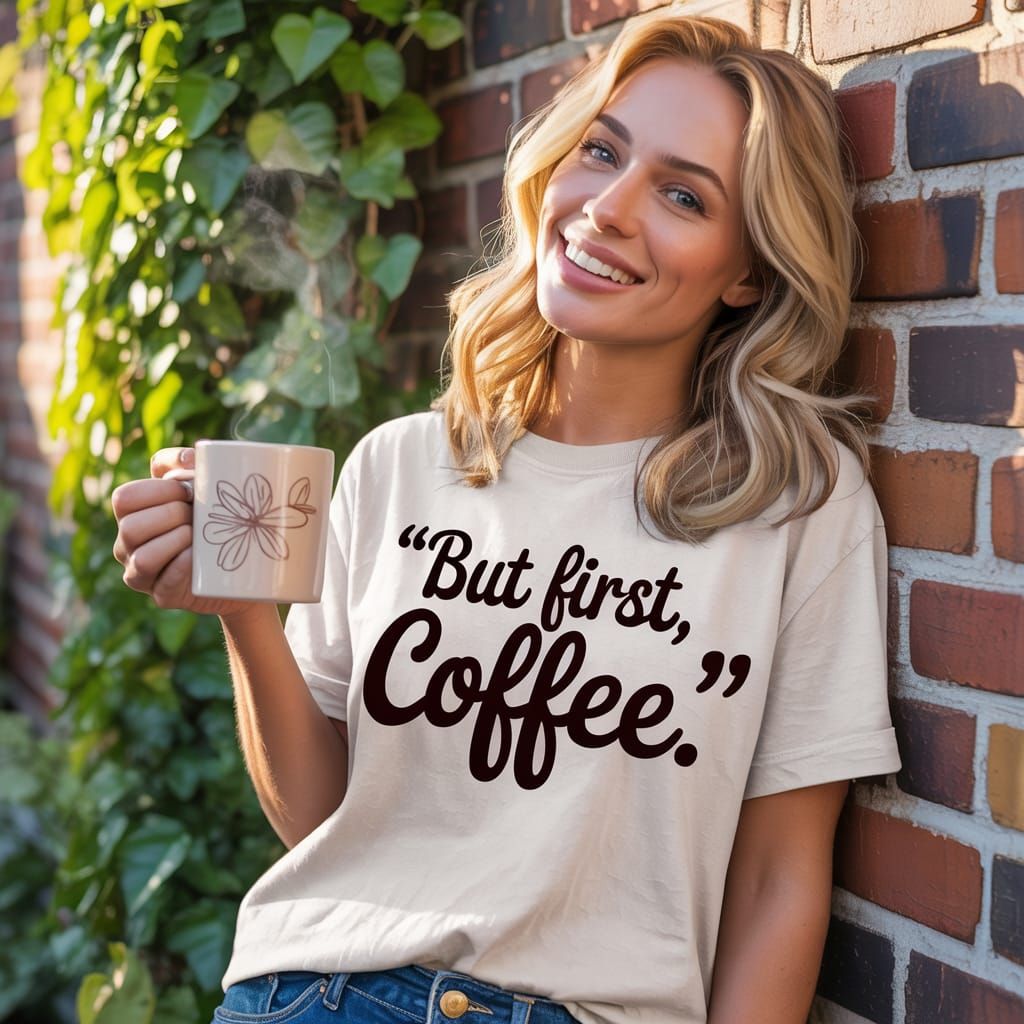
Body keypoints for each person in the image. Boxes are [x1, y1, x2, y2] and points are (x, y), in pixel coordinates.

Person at [112, 8, 901, 1024]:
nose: (608, 207)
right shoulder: (401, 463)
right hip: (312, 993)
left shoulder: (795, 505)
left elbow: (777, 883)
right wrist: (241, 609)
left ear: (748, 272)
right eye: (601, 151)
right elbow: (319, 817)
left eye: (680, 194)